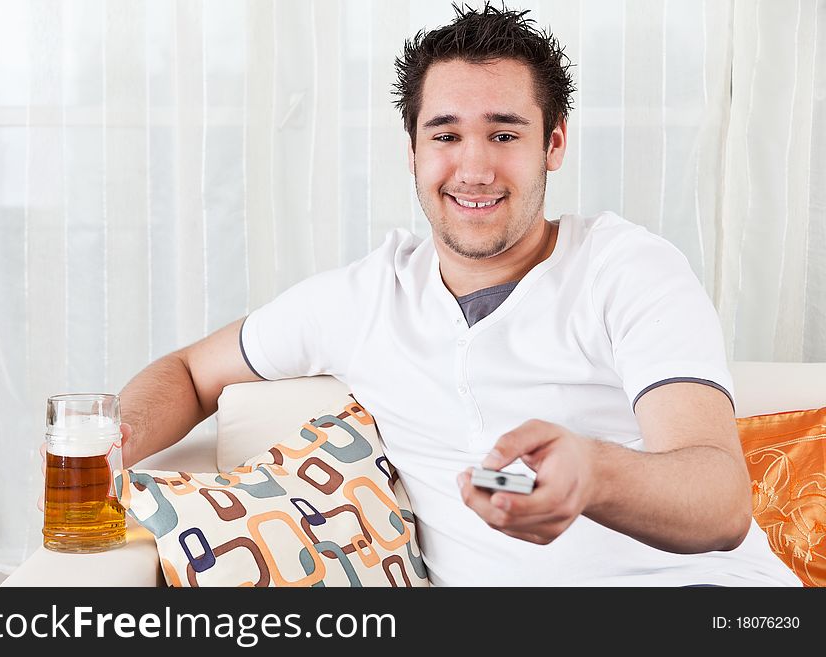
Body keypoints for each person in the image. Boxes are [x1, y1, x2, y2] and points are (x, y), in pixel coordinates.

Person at [113, 3, 798, 586]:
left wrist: (592, 472)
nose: (474, 167)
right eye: (446, 135)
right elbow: (188, 371)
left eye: (504, 133)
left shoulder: (629, 270)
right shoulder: (363, 298)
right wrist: (104, 451)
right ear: (411, 150)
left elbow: (720, 497)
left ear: (553, 143)